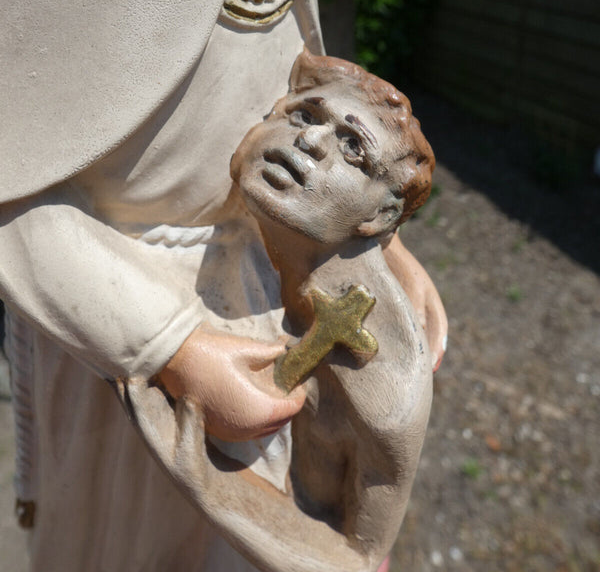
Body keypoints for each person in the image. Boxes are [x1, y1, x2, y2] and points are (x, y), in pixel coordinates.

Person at [0, 0, 445, 570]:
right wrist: (167, 345)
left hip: (262, 279)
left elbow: (288, 66)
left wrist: (376, 242)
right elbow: (15, 189)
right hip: (114, 314)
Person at [123, 49, 436, 572]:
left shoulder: (387, 391)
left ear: (381, 215)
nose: (310, 142)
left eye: (352, 148)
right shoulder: (234, 250)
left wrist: (209, 481)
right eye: (305, 116)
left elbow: (355, 559)